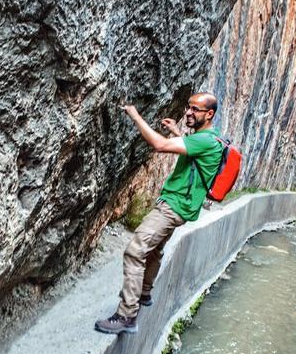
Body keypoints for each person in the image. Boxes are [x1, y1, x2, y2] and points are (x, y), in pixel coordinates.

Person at [95, 91, 224, 334]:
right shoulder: (210, 138)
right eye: (188, 107)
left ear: (209, 114)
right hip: (182, 205)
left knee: (135, 251)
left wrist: (134, 115)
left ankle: (126, 316)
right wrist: (177, 131)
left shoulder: (204, 140)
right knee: (155, 249)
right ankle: (144, 293)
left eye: (195, 109)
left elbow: (159, 145)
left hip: (173, 206)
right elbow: (193, 155)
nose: (188, 112)